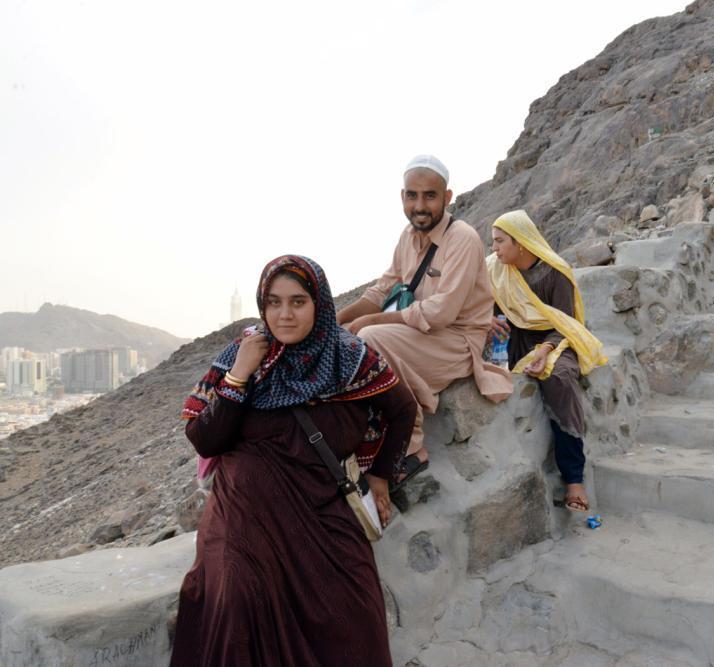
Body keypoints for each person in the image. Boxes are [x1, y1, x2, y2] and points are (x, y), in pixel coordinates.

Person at [172, 255, 417, 667]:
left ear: (318, 304)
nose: (284, 314)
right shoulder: (244, 353)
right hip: (243, 513)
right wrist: (240, 375)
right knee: (237, 599)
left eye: (298, 302)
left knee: (355, 612)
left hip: (321, 509)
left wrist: (380, 477)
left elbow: (402, 410)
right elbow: (205, 438)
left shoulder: (350, 357)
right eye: (273, 302)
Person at [337, 155, 512, 491]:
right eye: (412, 195)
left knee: (372, 336)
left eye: (429, 196)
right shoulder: (407, 236)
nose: (420, 205)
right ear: (402, 197)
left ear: (447, 198)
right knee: (347, 339)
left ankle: (412, 447)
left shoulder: (461, 238)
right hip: (421, 335)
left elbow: (441, 312)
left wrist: (370, 321)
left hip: (457, 343)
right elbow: (381, 289)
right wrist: (335, 320)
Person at [488, 210, 608, 512]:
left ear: (522, 244)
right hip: (513, 340)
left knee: (559, 377)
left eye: (500, 241)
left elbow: (565, 322)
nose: (494, 248)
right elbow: (478, 304)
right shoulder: (495, 270)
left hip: (556, 339)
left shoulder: (556, 272)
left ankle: (573, 478)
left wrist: (543, 352)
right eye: (493, 242)